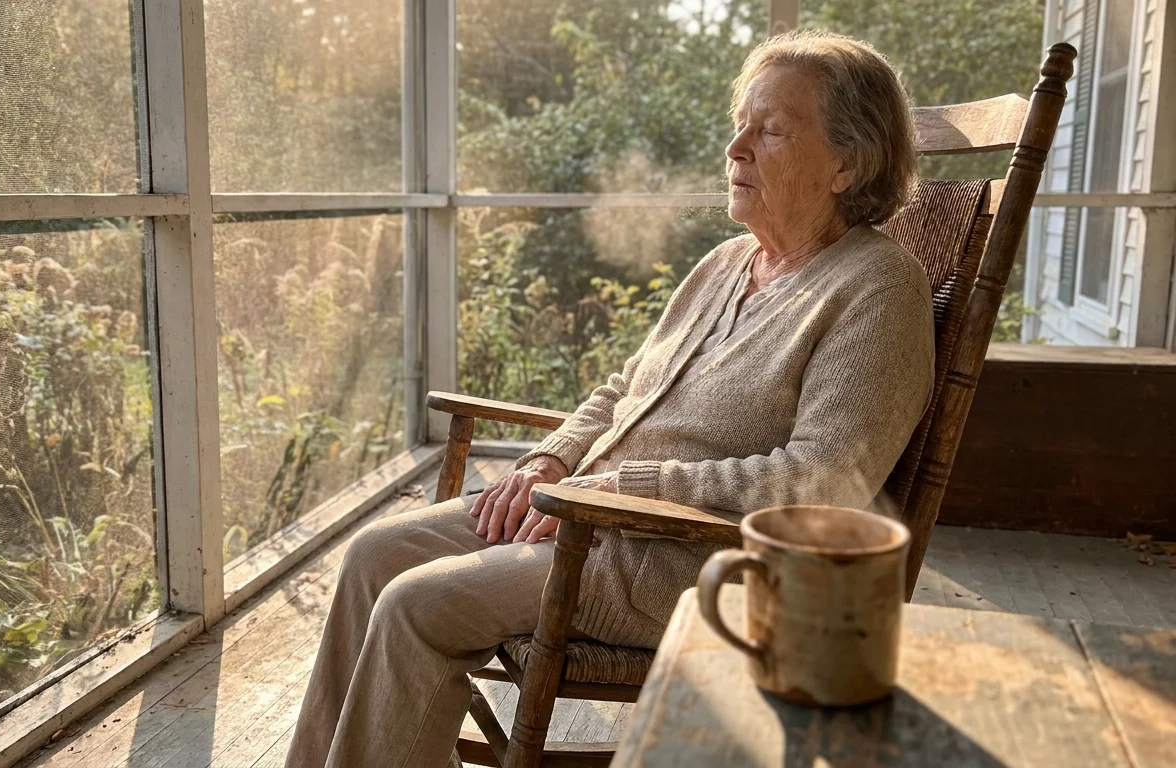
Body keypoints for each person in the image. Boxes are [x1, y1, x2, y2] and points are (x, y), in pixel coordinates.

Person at [286, 30, 934, 768]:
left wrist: (629, 485)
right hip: (581, 518)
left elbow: (827, 482)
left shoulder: (878, 290)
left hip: (688, 561)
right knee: (373, 555)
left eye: (772, 130)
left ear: (848, 163)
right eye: (741, 123)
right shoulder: (728, 263)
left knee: (417, 605)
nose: (735, 147)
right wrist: (550, 459)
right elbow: (627, 386)